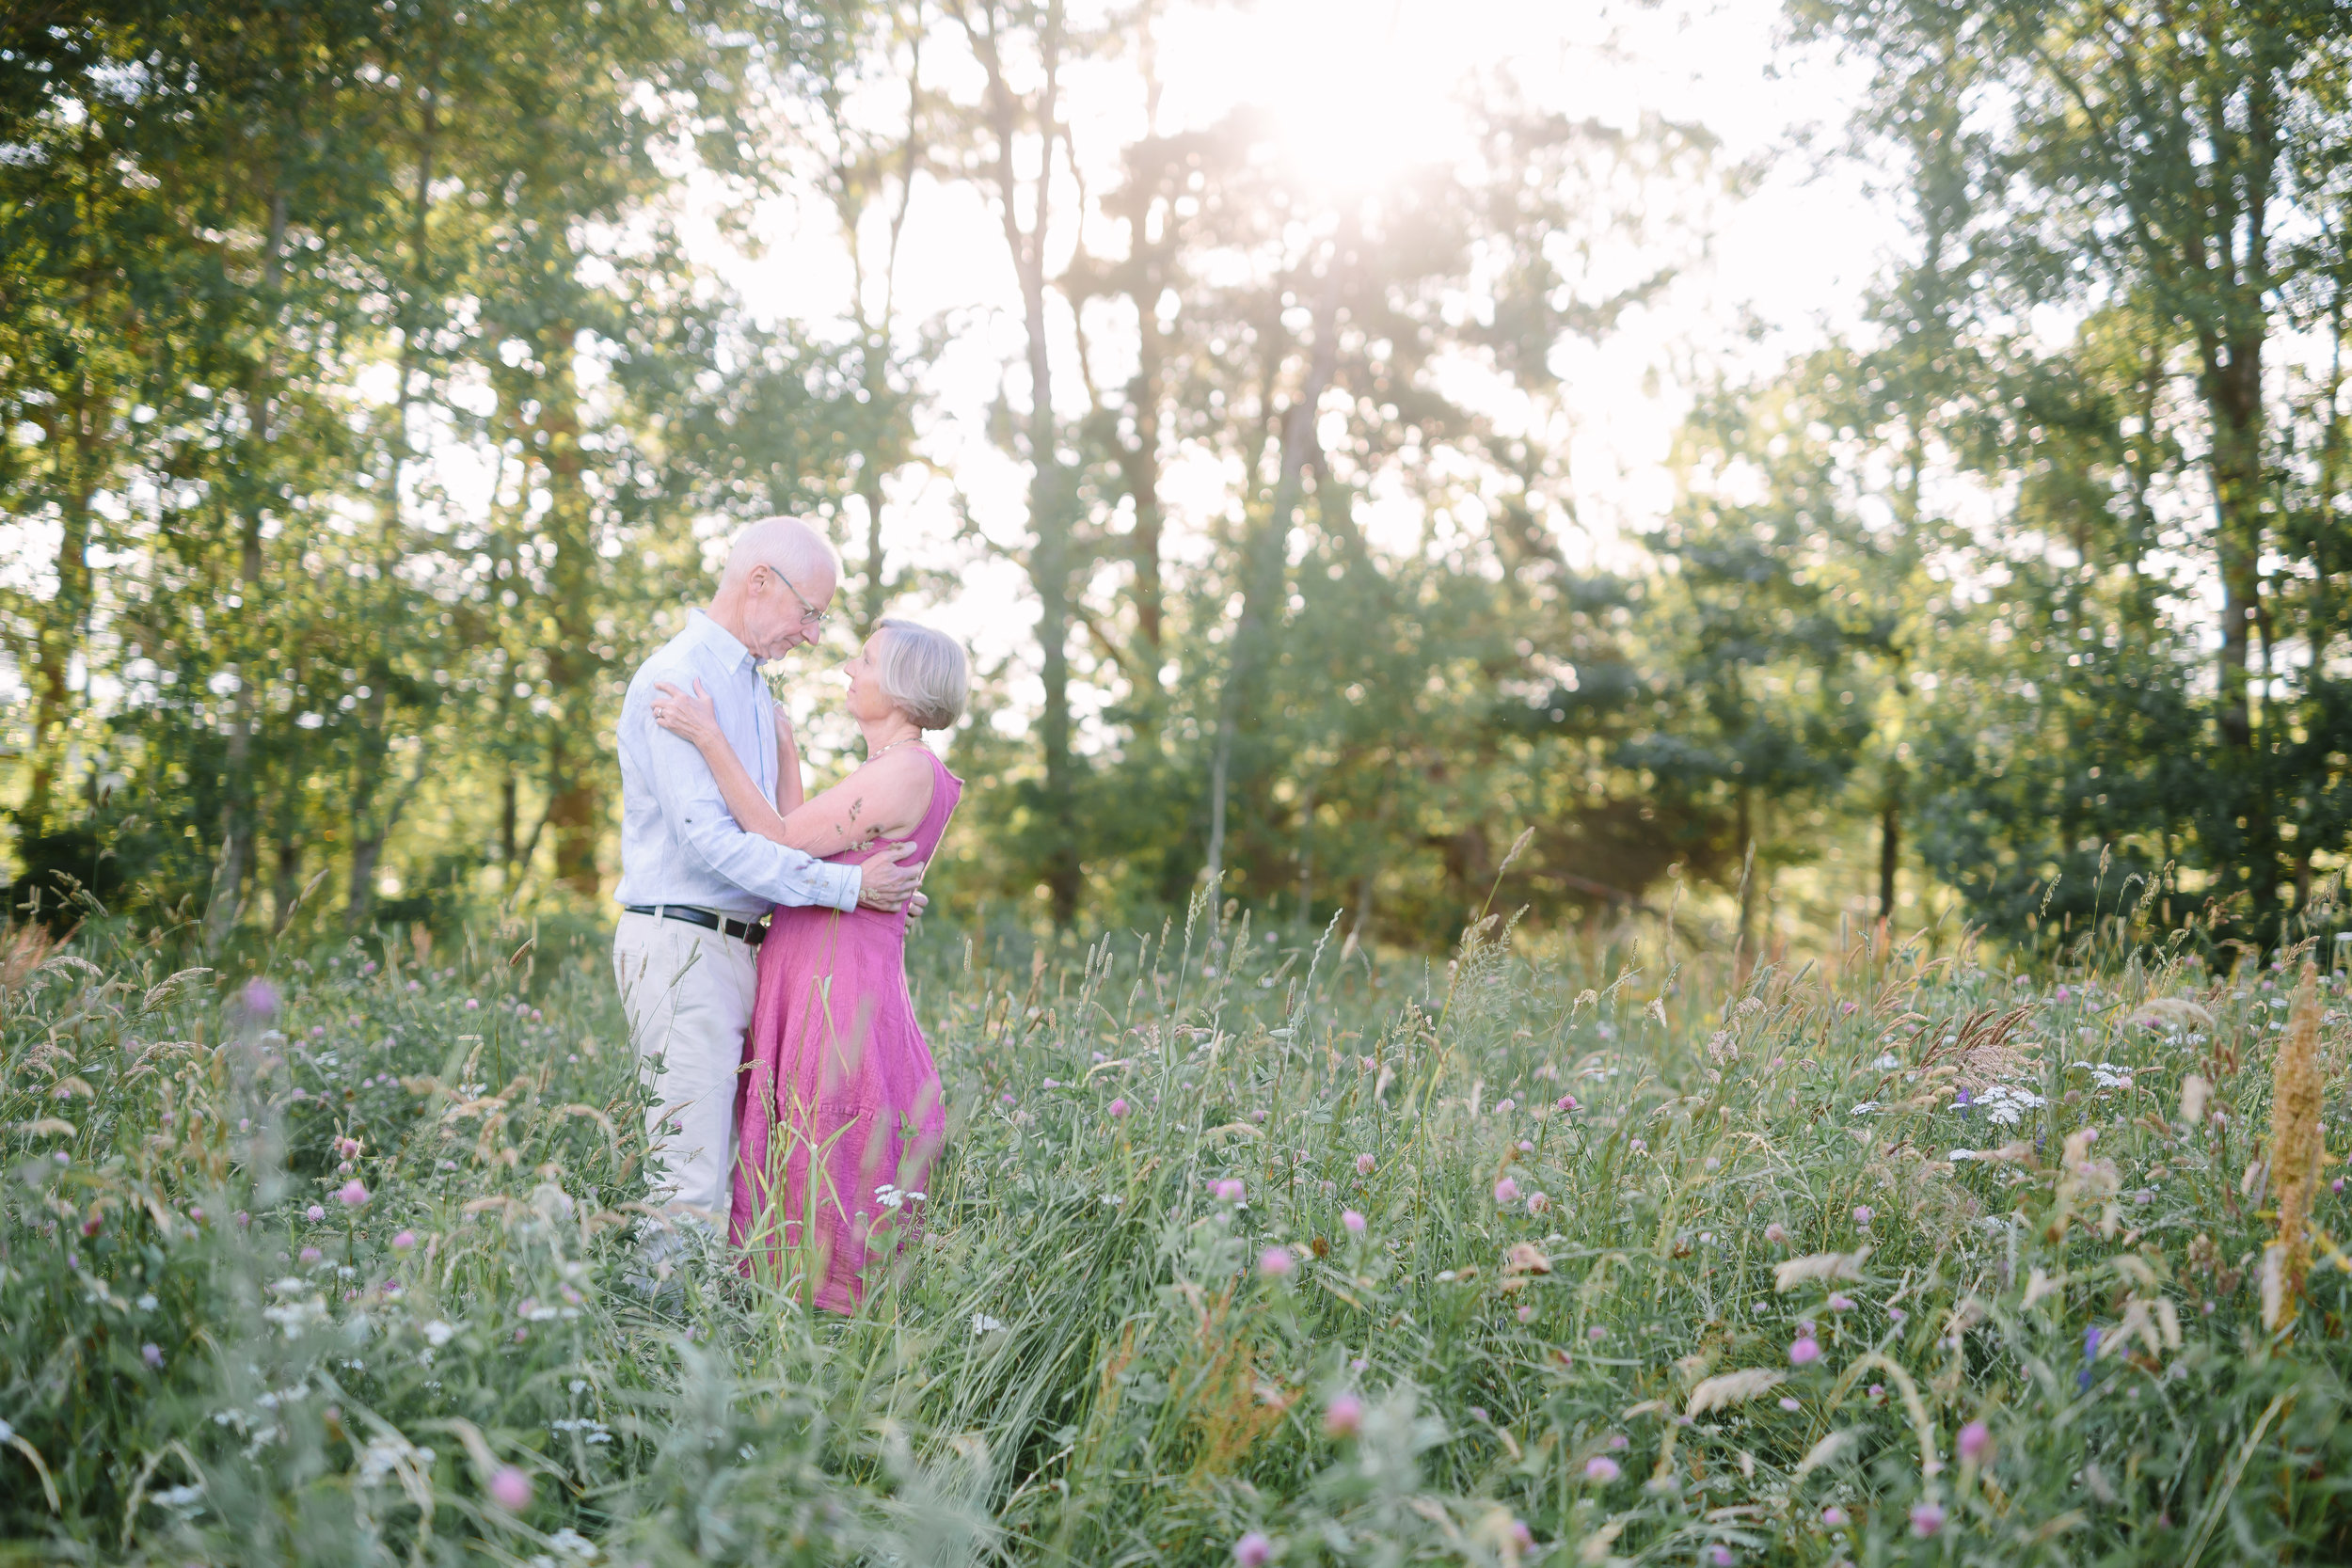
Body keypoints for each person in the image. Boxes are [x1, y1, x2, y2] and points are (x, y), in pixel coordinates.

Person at [612, 518, 926, 1271]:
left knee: (743, 1167)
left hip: (751, 948)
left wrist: (872, 888)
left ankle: (725, 1355)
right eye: (809, 611)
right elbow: (713, 844)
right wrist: (851, 888)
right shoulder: (680, 677)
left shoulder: (750, 688)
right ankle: (665, 1358)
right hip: (684, 943)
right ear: (760, 582)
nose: (813, 635)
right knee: (688, 1176)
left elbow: (780, 836)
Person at [649, 615, 966, 1312]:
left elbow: (782, 838)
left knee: (824, 1151)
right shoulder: (888, 769)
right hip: (817, 975)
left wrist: (707, 734)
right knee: (799, 1152)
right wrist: (787, 750)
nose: (849, 668)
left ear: (906, 685)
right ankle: (780, 1319)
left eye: (868, 659)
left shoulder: (909, 769)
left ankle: (815, 1328)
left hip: (838, 988)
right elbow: (807, 849)